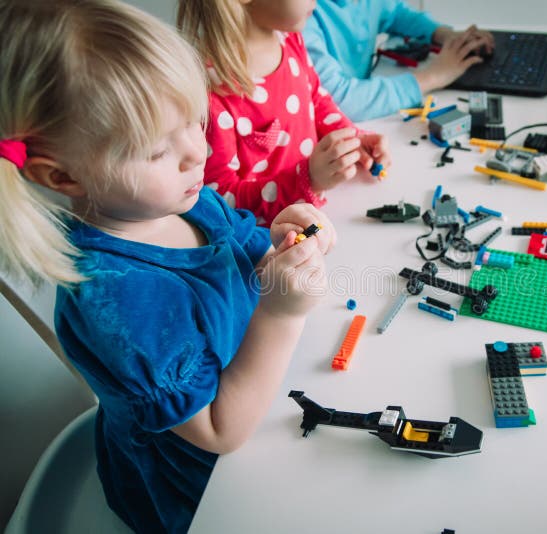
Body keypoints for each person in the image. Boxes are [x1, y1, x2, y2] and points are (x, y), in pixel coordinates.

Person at [0, 1, 335, 532]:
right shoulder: (115, 298)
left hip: (268, 399)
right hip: (198, 492)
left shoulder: (184, 199)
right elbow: (221, 432)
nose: (195, 152)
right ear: (63, 177)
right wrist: (283, 314)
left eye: (195, 120)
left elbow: (252, 251)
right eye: (157, 150)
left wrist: (288, 240)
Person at [177, 0, 391, 228]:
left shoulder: (289, 39)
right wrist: (309, 180)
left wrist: (351, 138)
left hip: (323, 216)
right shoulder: (211, 93)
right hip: (272, 242)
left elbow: (316, 99)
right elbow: (222, 200)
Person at [303, 0, 495, 121]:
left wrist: (444, 35)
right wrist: (433, 77)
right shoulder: (300, 13)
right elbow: (339, 101)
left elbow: (395, 14)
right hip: (328, 131)